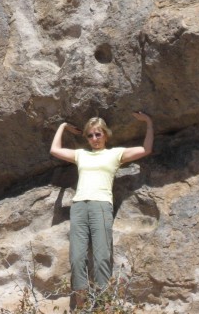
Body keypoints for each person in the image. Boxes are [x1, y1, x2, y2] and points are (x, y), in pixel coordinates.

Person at [49, 111, 154, 303]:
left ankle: (104, 304)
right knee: (77, 257)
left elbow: (146, 149)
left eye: (98, 134)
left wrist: (148, 122)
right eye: (90, 135)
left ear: (106, 134)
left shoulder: (115, 154)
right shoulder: (81, 155)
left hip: (101, 205)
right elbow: (55, 150)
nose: (94, 138)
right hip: (79, 206)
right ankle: (81, 306)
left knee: (102, 256)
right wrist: (63, 126)